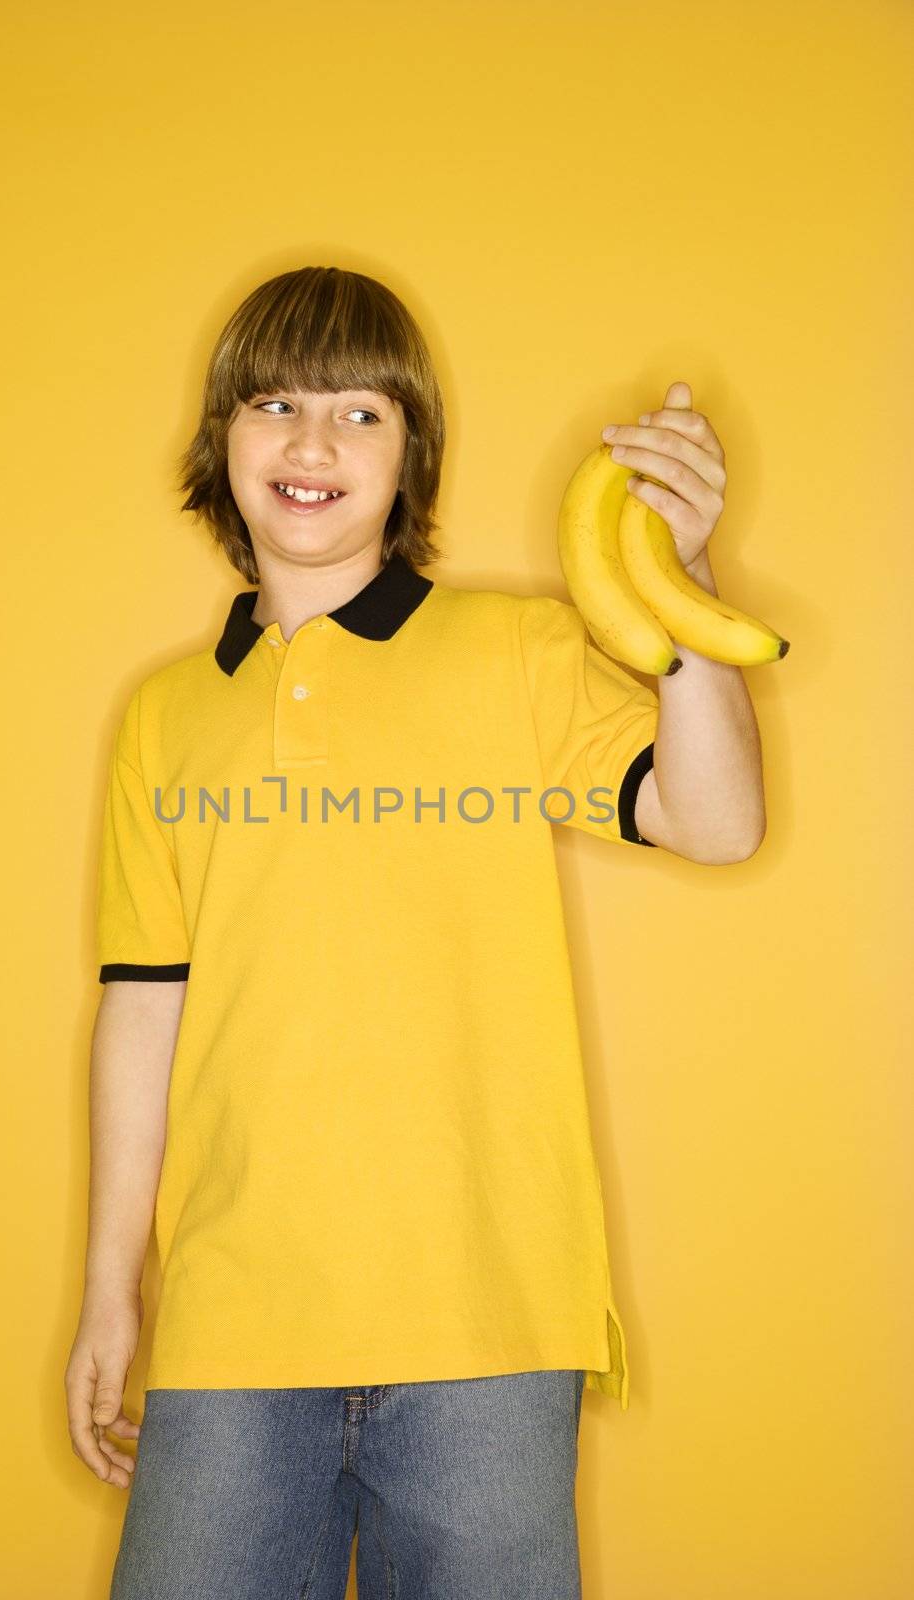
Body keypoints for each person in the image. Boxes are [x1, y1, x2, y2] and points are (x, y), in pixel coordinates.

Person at [64, 265, 766, 1598]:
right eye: (274, 401)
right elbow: (142, 1006)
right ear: (225, 439)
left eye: (360, 412)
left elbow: (715, 821)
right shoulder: (164, 719)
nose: (313, 440)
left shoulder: (514, 650)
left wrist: (686, 589)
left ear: (412, 453)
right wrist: (112, 1291)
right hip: (230, 1324)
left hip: (491, 1319)